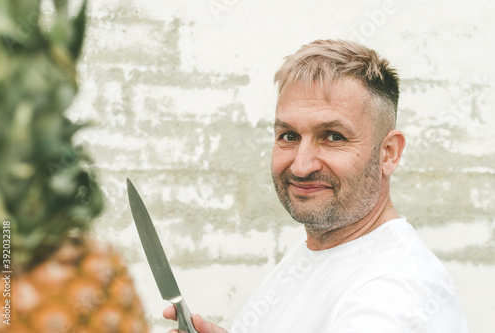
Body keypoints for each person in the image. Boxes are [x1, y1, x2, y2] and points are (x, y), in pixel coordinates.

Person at [163, 39, 469, 332]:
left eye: (333, 137)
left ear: (388, 153)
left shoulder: (394, 291)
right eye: (289, 136)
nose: (301, 165)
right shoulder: (324, 247)